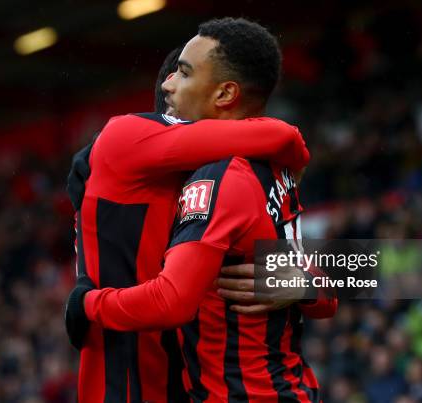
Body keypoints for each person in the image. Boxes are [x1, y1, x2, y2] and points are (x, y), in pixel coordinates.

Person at [77, 18, 336, 402]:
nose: (169, 85)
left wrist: (85, 303)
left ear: (224, 93)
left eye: (183, 74)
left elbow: (172, 300)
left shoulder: (222, 175)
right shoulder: (278, 170)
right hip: (291, 387)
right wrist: (304, 284)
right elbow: (331, 290)